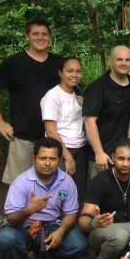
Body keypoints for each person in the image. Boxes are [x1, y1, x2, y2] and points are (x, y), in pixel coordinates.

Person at [0, 138, 88, 259]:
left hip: (52, 226)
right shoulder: (21, 182)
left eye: (52, 159)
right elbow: (11, 220)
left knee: (79, 245)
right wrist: (29, 210)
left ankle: (45, 258)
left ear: (59, 160)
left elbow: (71, 213)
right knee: (6, 238)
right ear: (34, 159)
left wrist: (61, 231)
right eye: (43, 158)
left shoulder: (67, 181)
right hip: (23, 226)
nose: (47, 163)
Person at [0, 17, 63, 184]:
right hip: (23, 137)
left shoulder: (59, 63)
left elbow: (72, 91)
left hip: (55, 137)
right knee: (20, 186)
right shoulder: (14, 63)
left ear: (49, 37)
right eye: (35, 34)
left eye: (44, 34)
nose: (40, 37)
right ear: (27, 36)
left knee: (56, 186)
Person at [83, 46, 130, 173]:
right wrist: (99, 153)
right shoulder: (97, 88)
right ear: (110, 62)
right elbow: (89, 122)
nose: (124, 63)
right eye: (119, 59)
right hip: (105, 158)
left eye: (127, 60)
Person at [40, 57, 89, 204]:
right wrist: (67, 157)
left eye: (78, 71)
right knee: (60, 191)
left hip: (81, 148)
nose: (74, 75)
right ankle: (57, 217)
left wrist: (86, 104)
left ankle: (75, 217)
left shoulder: (77, 95)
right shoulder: (52, 96)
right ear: (60, 73)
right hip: (61, 150)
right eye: (70, 71)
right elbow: (51, 131)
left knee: (78, 189)